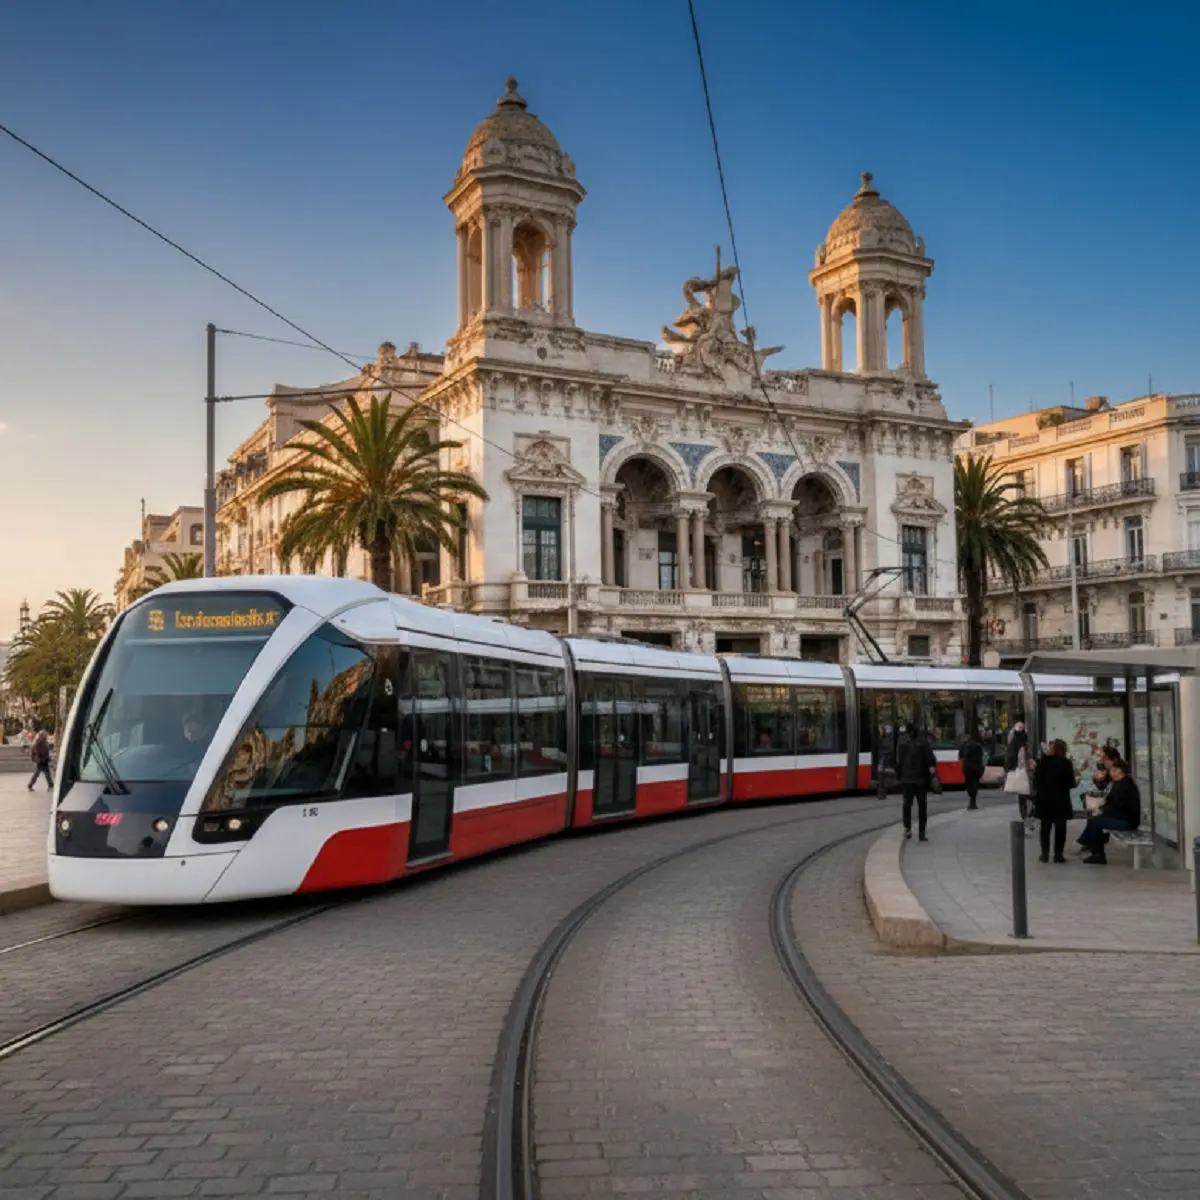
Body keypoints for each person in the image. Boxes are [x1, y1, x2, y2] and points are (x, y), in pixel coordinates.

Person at [1077, 757, 1141, 865]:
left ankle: (1096, 852)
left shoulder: (1125, 785)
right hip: (1123, 817)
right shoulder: (1120, 783)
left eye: (1113, 771)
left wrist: (1103, 810)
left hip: (1127, 821)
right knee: (1096, 820)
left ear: (1120, 771)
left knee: (1096, 821)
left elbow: (1118, 805)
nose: (1111, 773)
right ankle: (1092, 848)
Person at [1033, 738, 1076, 863]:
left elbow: (1036, 781)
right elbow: (1071, 783)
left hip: (1045, 799)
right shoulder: (1066, 763)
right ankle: (1058, 855)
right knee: (1061, 828)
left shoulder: (1043, 762)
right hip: (1061, 800)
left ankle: (1044, 854)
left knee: (1045, 828)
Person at [895, 722, 936, 841]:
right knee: (922, 806)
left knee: (907, 804)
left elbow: (898, 761)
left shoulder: (902, 742)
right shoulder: (923, 742)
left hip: (906, 778)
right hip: (921, 779)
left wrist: (900, 775)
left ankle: (907, 828)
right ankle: (921, 833)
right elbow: (930, 759)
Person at [1004, 723, 1034, 829]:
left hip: (1018, 772)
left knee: (1023, 799)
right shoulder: (1022, 746)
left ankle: (1026, 818)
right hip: (1024, 773)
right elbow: (1024, 760)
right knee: (1030, 796)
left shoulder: (1012, 745)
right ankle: (1028, 819)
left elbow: (1008, 760)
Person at [958, 730, 985, 811]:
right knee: (975, 784)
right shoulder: (978, 746)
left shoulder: (964, 746)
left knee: (969, 784)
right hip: (977, 768)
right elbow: (981, 757)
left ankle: (971, 801)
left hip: (968, 768)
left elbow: (961, 756)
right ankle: (973, 801)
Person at [27, 725, 54, 791]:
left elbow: (45, 751)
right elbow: (38, 751)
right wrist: (41, 757)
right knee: (38, 773)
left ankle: (50, 785)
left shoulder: (43, 741)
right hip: (42, 760)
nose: (47, 735)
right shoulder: (40, 741)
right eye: (45, 734)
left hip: (43, 760)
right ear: (42, 735)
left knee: (46, 773)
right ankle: (30, 785)